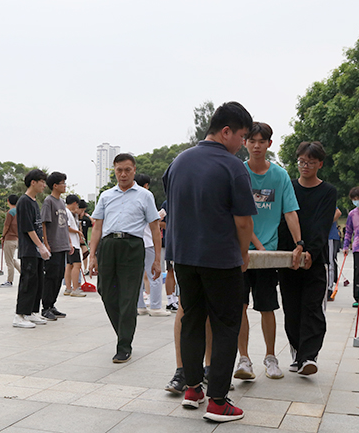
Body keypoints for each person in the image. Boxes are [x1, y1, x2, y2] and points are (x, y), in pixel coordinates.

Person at [163, 101, 256, 423]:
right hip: (220, 258)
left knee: (191, 320)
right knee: (226, 325)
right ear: (226, 131)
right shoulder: (233, 167)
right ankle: (218, 402)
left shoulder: (178, 162)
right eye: (242, 137)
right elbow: (243, 222)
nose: (242, 144)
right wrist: (243, 254)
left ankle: (192, 390)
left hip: (184, 256)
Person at [234, 122, 303, 381]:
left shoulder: (280, 176)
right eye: (252, 141)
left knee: (268, 306)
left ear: (269, 144)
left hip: (267, 256)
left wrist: (299, 243)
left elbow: (290, 212)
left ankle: (271, 357)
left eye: (262, 141)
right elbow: (238, 215)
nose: (256, 146)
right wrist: (256, 244)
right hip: (240, 252)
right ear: (245, 143)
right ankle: (243, 358)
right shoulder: (238, 172)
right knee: (239, 306)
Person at [88, 153, 161, 364]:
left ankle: (124, 345)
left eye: (127, 170)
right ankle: (123, 332)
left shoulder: (145, 196)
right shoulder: (106, 196)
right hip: (108, 246)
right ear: (114, 171)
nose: (123, 174)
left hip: (132, 247)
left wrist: (157, 259)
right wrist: (92, 256)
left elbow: (155, 228)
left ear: (134, 170)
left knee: (129, 297)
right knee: (106, 292)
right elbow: (97, 227)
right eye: (119, 170)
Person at [277, 141, 337, 376]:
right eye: (302, 161)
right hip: (288, 258)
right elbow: (284, 219)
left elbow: (322, 224)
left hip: (314, 258)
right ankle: (297, 352)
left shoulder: (328, 191)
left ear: (320, 164)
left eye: (311, 162)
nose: (305, 166)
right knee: (291, 308)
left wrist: (311, 250)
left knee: (312, 307)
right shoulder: (288, 187)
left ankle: (309, 356)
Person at [13, 169, 51, 328]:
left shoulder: (34, 202)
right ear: (33, 182)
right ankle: (20, 315)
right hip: (29, 249)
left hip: (36, 250)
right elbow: (28, 228)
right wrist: (40, 246)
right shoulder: (24, 201)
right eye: (42, 182)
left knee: (38, 281)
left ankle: (32, 312)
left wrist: (43, 245)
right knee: (28, 282)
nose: (44, 185)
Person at [135, 173, 171, 317]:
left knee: (137, 276)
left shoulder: (131, 197)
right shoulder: (146, 196)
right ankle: (155, 306)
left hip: (135, 242)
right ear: (146, 185)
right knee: (155, 274)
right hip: (148, 242)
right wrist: (159, 215)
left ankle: (140, 306)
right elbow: (152, 220)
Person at [40, 172, 71, 321]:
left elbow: (65, 225)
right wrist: (46, 244)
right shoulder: (49, 201)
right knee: (51, 277)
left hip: (63, 245)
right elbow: (43, 223)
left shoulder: (62, 202)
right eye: (63, 183)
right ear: (55, 185)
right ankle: (45, 307)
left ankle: (52, 305)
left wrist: (69, 242)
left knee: (59, 276)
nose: (65, 186)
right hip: (53, 246)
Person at [64, 194, 86, 297]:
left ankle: (68, 288)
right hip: (72, 243)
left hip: (70, 243)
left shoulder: (67, 212)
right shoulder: (67, 213)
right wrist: (78, 232)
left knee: (69, 265)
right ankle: (75, 289)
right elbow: (67, 227)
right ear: (74, 203)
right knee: (77, 265)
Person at [0, 195, 21, 288]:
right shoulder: (19, 212)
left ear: (8, 201)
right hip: (17, 239)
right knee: (12, 259)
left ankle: (9, 281)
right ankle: (24, 273)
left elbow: (6, 226)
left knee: (9, 261)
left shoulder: (10, 212)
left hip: (9, 239)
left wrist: (3, 236)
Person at [326, 208, 342, 300]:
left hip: (329, 236)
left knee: (330, 262)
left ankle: (329, 288)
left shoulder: (326, 200)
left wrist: (326, 223)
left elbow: (338, 212)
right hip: (317, 235)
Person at [78, 200, 92, 275]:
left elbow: (93, 223)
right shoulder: (74, 219)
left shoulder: (85, 219)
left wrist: (88, 216)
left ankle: (85, 269)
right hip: (76, 240)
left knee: (85, 253)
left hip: (84, 239)